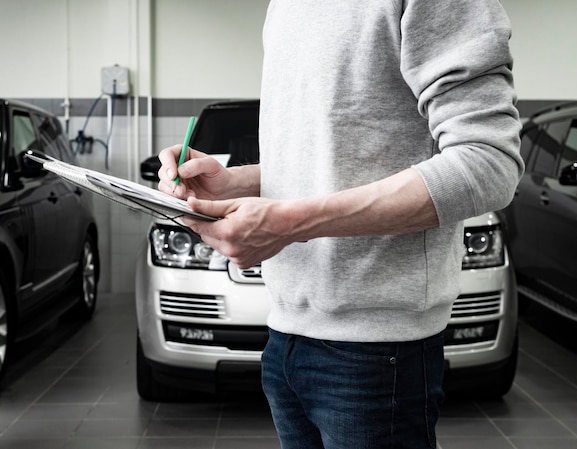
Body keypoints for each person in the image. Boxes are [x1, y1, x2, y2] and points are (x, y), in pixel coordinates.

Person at [158, 1, 524, 447]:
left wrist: (289, 223)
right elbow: (327, 160)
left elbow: (489, 163)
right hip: (285, 334)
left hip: (377, 350)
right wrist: (234, 183)